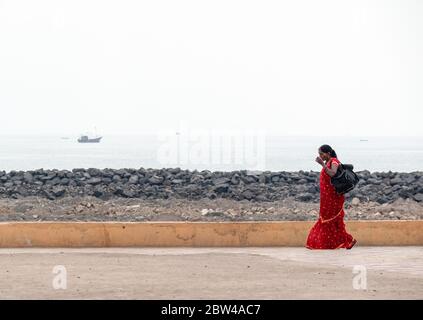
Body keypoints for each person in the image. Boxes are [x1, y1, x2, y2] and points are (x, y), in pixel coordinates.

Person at [306, 144, 357, 249]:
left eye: (322, 154)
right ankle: (339, 242)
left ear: (328, 153)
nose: (320, 156)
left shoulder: (334, 161)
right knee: (326, 219)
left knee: (331, 220)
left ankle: (348, 240)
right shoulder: (328, 162)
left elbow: (332, 173)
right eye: (319, 154)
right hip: (326, 197)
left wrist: (322, 165)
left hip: (333, 198)